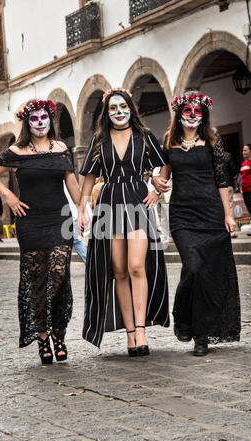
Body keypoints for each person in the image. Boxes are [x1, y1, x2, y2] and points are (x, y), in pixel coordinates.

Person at [0, 99, 81, 364]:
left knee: (59, 274)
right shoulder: (16, 151)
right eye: (35, 119)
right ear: (28, 122)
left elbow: (72, 184)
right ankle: (43, 339)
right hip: (30, 221)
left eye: (44, 118)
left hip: (60, 219)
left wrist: (84, 209)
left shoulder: (61, 149)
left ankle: (58, 333)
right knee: (37, 283)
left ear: (51, 120)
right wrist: (8, 197)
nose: (40, 123)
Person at [78, 88, 169, 356]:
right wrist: (83, 209)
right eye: (113, 108)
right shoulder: (99, 140)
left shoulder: (144, 136)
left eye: (123, 107)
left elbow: (163, 164)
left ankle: (141, 330)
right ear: (106, 113)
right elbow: (88, 179)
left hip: (137, 199)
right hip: (108, 202)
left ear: (131, 108)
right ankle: (130, 334)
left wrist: (155, 188)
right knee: (118, 270)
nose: (119, 112)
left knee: (136, 266)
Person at [153, 91, 241, 356]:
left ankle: (201, 335)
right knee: (193, 267)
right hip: (182, 216)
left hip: (211, 213)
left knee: (207, 272)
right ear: (179, 115)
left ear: (203, 115)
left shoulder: (213, 141)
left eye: (197, 112)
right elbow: (163, 177)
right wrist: (155, 185)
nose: (192, 117)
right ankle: (184, 314)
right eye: (187, 112)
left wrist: (228, 215)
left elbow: (222, 181)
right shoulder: (169, 142)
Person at [224, 151, 239, 238]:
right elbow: (234, 171)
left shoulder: (210, 155)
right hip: (228, 184)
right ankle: (231, 230)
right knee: (229, 206)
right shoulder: (227, 155)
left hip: (215, 186)